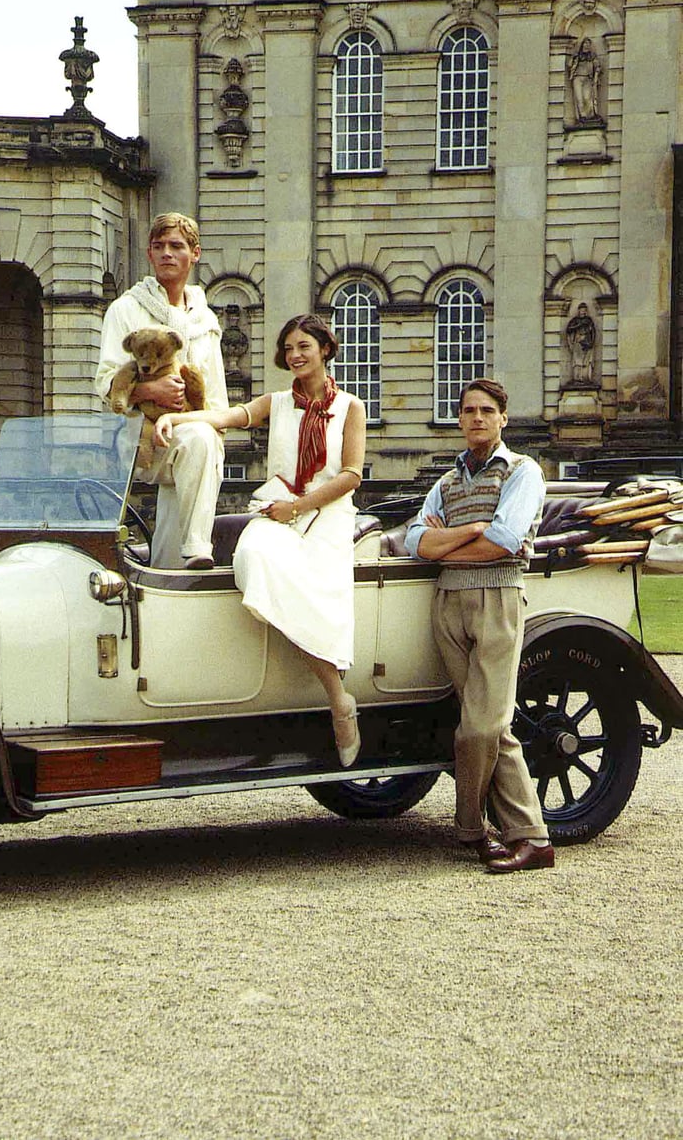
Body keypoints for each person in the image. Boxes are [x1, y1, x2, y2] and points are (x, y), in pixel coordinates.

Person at [154, 314, 367, 768]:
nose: (295, 355)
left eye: (304, 346)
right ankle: (331, 690)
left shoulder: (351, 406)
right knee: (253, 557)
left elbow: (351, 474)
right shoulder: (278, 401)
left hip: (326, 513)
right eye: (288, 348)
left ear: (325, 349)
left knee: (319, 588)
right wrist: (178, 416)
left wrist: (301, 506)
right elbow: (229, 416)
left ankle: (337, 700)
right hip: (277, 504)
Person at [404, 379, 555, 873]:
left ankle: (473, 827)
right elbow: (414, 542)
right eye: (468, 410)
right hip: (447, 601)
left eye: (486, 411)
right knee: (489, 727)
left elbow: (506, 539)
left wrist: (450, 541)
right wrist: (471, 530)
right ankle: (529, 839)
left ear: (503, 418)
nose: (476, 418)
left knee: (482, 726)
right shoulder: (446, 482)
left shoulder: (521, 470)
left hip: (497, 597)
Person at [95, 212, 228, 569]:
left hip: (191, 436)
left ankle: (174, 577)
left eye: (177, 246)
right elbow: (107, 384)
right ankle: (199, 546)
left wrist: (206, 423)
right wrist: (151, 391)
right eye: (159, 246)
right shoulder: (125, 309)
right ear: (150, 255)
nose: (167, 253)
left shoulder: (206, 319)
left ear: (195, 254)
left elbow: (215, 396)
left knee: (201, 441)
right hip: (142, 440)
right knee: (198, 441)